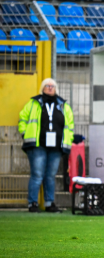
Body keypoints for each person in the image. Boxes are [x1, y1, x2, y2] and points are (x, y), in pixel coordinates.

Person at [18, 79, 74, 213]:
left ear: (56, 88)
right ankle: (32, 203)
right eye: (47, 86)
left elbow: (70, 125)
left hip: (56, 146)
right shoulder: (33, 103)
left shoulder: (64, 105)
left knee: (50, 176)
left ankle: (49, 203)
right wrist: (25, 133)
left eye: (52, 86)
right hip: (38, 145)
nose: (50, 88)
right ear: (42, 88)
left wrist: (69, 139)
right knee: (37, 174)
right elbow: (22, 118)